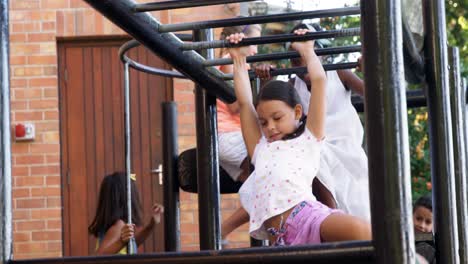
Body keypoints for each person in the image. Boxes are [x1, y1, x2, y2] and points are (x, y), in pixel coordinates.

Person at [225, 29, 371, 245]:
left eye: (277, 118)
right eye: (263, 122)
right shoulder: (260, 148)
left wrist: (307, 50)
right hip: (281, 238)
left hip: (307, 218)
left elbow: (320, 81)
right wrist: (238, 58)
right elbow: (246, 103)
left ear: (296, 113)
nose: (271, 127)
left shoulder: (309, 139)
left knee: (364, 232)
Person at [256, 22, 370, 222]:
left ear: (324, 55)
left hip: (346, 148)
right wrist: (266, 78)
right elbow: (271, 107)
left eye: (308, 55)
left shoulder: (339, 73)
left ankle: (352, 229)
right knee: (313, 162)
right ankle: (331, 222)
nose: (303, 64)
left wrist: (369, 71)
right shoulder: (293, 86)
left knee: (357, 200)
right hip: (317, 148)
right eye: (295, 59)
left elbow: (373, 96)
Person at [217, 23, 262, 183]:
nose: (256, 50)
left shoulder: (236, 63)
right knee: (265, 171)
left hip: (226, 136)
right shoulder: (231, 63)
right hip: (230, 136)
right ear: (241, 39)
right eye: (254, 43)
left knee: (251, 183)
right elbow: (235, 106)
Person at [88, 172, 164, 255]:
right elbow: (98, 257)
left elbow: (131, 245)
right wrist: (121, 241)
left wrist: (150, 226)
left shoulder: (117, 226)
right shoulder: (118, 227)